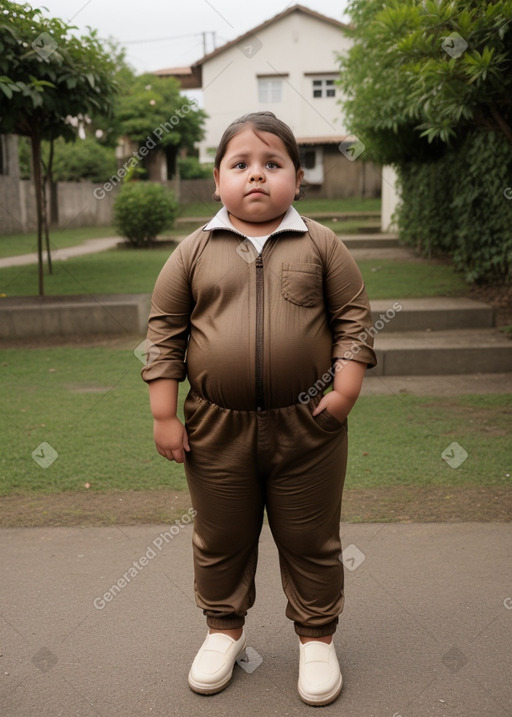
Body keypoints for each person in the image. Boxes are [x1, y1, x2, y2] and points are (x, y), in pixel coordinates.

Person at [141, 111, 377, 706]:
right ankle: (223, 633)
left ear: (297, 180)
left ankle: (316, 638)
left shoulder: (322, 244)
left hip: (311, 427)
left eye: (273, 165)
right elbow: (164, 332)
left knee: (311, 537)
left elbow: (354, 322)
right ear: (217, 179)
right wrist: (164, 413)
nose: (256, 176)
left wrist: (344, 391)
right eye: (240, 164)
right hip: (216, 428)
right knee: (220, 536)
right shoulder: (193, 251)